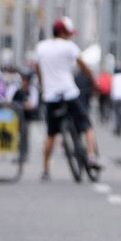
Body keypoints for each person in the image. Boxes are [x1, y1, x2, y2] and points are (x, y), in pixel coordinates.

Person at [32, 16, 101, 180]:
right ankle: (92, 156)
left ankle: (45, 169)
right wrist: (93, 82)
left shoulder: (41, 47)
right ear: (63, 32)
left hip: (51, 96)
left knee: (51, 134)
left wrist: (44, 85)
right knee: (87, 127)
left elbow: (37, 68)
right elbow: (82, 65)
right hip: (69, 92)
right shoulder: (69, 46)